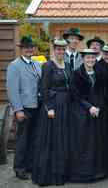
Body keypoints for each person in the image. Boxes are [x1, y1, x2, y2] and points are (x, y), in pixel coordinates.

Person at [31, 39, 71, 186]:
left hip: (65, 106)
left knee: (62, 140)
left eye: (63, 49)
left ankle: (60, 173)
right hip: (53, 107)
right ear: (54, 50)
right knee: (51, 141)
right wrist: (49, 107)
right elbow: (44, 88)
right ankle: (48, 175)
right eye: (58, 49)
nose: (61, 52)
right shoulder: (48, 66)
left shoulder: (67, 65)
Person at [6, 35, 42, 180]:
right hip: (24, 108)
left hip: (37, 107)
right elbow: (12, 89)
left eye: (31, 47)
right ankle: (19, 168)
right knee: (22, 140)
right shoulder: (14, 66)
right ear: (21, 49)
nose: (29, 49)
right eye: (27, 47)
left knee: (34, 138)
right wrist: (18, 109)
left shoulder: (36, 64)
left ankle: (30, 165)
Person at [69, 48, 107, 182]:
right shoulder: (77, 74)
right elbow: (75, 94)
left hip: (97, 112)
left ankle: (96, 171)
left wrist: (98, 107)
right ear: (83, 59)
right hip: (81, 113)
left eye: (92, 58)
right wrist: (89, 107)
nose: (90, 60)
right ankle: (82, 173)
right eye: (87, 58)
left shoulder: (99, 73)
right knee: (83, 143)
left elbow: (103, 92)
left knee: (95, 142)